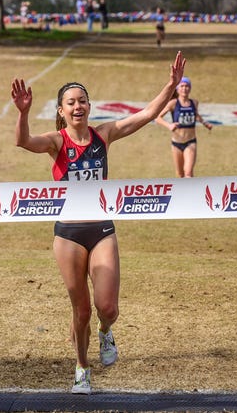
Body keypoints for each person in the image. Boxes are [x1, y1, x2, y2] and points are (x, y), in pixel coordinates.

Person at [11, 51, 186, 395]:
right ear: (61, 111)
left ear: (89, 107)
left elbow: (147, 115)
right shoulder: (56, 141)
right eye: (71, 102)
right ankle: (81, 367)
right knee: (80, 311)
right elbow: (22, 141)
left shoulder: (103, 135)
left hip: (102, 228)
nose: (78, 107)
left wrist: (171, 86)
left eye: (83, 101)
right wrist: (24, 113)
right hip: (69, 233)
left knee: (106, 306)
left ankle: (107, 332)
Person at [155, 76, 213, 178]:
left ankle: (192, 193)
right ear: (177, 89)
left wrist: (205, 123)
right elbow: (157, 118)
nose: (184, 88)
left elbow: (196, 115)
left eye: (187, 86)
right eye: (182, 86)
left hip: (190, 142)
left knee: (188, 172)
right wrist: (169, 125)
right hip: (176, 143)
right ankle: (183, 193)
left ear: (190, 88)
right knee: (180, 174)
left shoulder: (194, 103)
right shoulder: (173, 104)